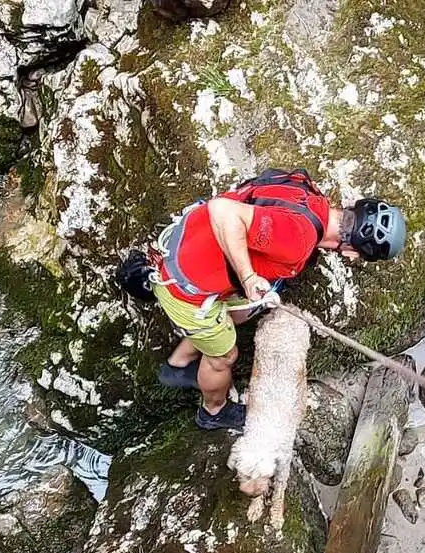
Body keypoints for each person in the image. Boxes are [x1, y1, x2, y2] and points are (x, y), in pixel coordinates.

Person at [146, 168, 407, 431]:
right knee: (224, 357)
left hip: (181, 246)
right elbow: (223, 211)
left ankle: (179, 364)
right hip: (183, 289)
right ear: (351, 250)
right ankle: (213, 411)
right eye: (357, 255)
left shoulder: (311, 197)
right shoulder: (297, 238)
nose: (352, 259)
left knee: (241, 312)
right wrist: (248, 277)